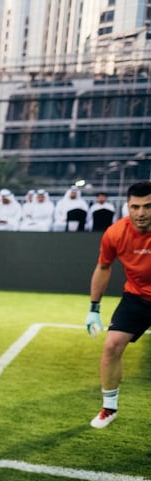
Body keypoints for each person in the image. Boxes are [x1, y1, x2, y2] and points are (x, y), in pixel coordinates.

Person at [85, 181, 151, 429]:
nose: (141, 213)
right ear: (127, 206)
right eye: (135, 206)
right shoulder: (115, 233)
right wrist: (94, 309)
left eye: (148, 206)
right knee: (111, 346)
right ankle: (109, 408)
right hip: (136, 297)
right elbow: (103, 267)